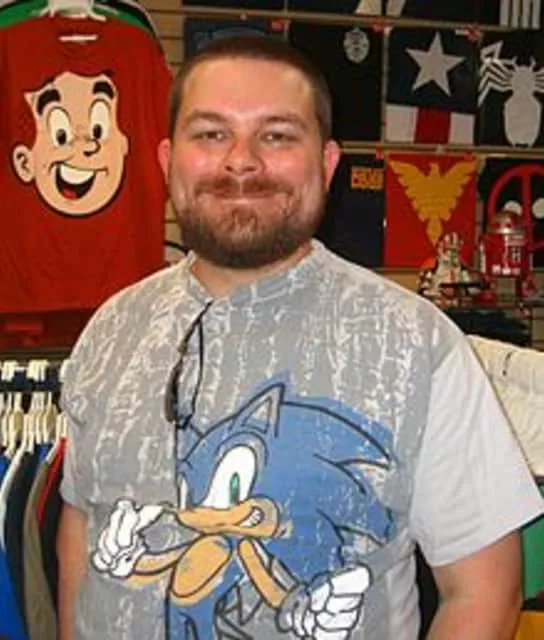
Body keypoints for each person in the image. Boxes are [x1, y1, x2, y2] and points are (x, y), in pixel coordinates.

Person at [57, 35, 543, 640]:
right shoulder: (111, 330)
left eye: (277, 136)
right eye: (211, 133)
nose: (241, 161)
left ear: (327, 164)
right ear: (167, 159)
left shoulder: (414, 343)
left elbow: (484, 590)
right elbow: (83, 522)